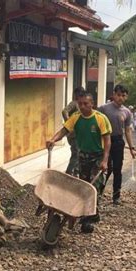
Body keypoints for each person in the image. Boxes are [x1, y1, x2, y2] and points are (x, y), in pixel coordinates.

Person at [47, 92, 111, 233]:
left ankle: (88, 218)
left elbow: (107, 140)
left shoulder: (100, 119)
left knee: (94, 186)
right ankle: (88, 212)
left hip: (98, 156)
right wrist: (53, 139)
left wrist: (105, 160)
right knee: (83, 185)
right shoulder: (75, 118)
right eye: (80, 104)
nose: (82, 106)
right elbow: (64, 130)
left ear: (92, 104)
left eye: (85, 104)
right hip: (83, 156)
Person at [98, 84, 136, 205]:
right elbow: (97, 124)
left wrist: (131, 148)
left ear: (126, 97)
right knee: (105, 168)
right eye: (118, 95)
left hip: (118, 142)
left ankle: (116, 197)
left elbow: (128, 130)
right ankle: (98, 193)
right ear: (114, 94)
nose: (120, 98)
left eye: (123, 96)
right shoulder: (103, 109)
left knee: (117, 170)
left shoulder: (127, 112)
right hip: (105, 141)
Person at [62, 87, 85, 176]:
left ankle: (75, 173)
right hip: (73, 135)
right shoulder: (74, 103)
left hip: (78, 135)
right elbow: (64, 111)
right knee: (76, 154)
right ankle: (68, 174)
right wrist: (69, 124)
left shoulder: (80, 105)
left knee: (79, 155)